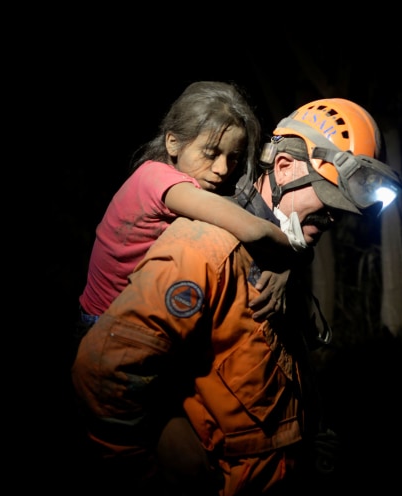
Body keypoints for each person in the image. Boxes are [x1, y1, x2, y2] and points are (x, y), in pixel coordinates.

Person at [71, 97, 402, 496]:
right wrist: (149, 481)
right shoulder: (203, 248)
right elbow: (102, 373)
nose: (332, 220)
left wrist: (309, 435)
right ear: (284, 168)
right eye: (328, 201)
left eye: (343, 212)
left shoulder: (286, 254)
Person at [76, 81, 301, 341]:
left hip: (128, 315)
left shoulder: (176, 179)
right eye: (210, 153)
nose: (222, 168)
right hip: (104, 327)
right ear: (173, 143)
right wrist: (294, 257)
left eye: (233, 157)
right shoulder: (159, 180)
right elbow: (252, 230)